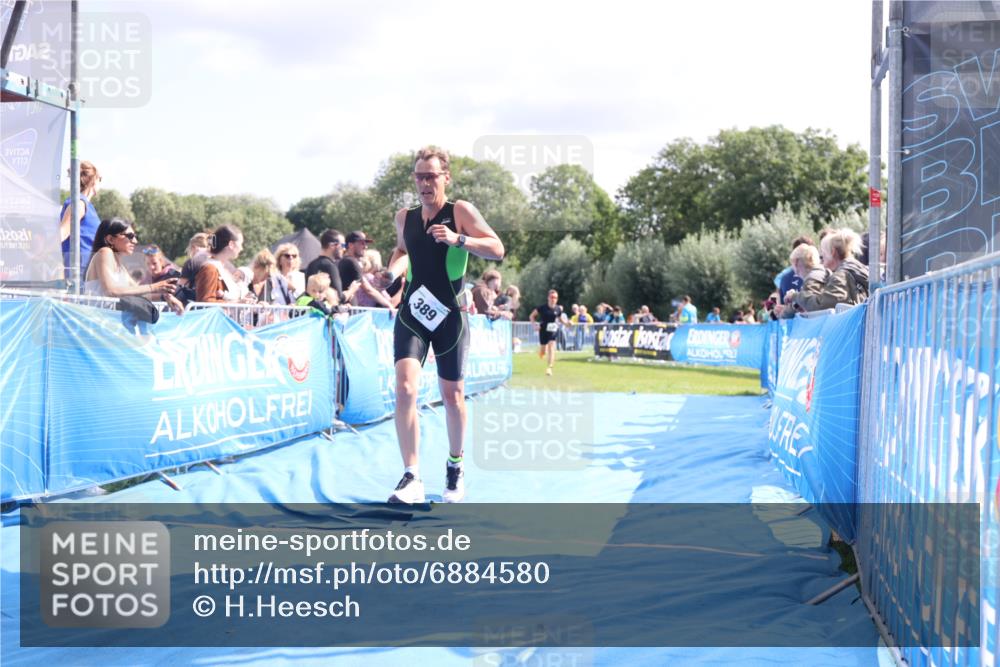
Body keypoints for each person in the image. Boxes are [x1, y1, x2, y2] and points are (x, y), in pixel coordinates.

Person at [382, 146, 504, 504]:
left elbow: (497, 248)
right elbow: (402, 251)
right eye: (419, 176)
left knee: (452, 396)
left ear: (445, 178)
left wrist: (458, 239)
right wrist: (391, 272)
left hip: (451, 315)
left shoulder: (460, 211)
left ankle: (455, 464)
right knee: (405, 389)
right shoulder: (404, 216)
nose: (424, 182)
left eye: (431, 176)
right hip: (413, 313)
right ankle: (412, 476)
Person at [83, 217, 183, 314]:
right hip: (97, 322)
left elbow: (138, 292)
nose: (135, 241)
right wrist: (155, 287)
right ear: (110, 239)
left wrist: (164, 296)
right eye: (130, 236)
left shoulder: (119, 264)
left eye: (135, 236)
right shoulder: (105, 252)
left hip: (107, 322)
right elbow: (111, 291)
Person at [786, 228, 869, 312]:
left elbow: (821, 305)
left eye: (823, 253)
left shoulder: (841, 276)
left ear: (832, 252)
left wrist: (795, 296)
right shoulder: (858, 269)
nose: (821, 258)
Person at [59, 160, 102, 280]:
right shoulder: (79, 203)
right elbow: (63, 232)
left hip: (89, 269)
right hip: (80, 272)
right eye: (101, 179)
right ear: (94, 180)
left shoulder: (85, 204)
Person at [305, 229, 361, 305]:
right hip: (326, 313)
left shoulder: (311, 264)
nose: (344, 249)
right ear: (332, 245)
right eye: (343, 245)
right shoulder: (330, 266)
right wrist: (351, 290)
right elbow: (338, 298)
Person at [776, 244, 829, 318]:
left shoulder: (811, 279)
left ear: (796, 262)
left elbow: (811, 307)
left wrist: (793, 297)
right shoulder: (826, 272)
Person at [194, 224, 245, 303]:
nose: (242, 248)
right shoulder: (210, 269)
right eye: (241, 244)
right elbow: (206, 302)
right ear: (231, 244)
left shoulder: (223, 268)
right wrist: (236, 303)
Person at [529, 289, 569, 377]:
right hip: (543, 330)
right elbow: (531, 316)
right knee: (543, 350)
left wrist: (566, 323)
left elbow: (560, 318)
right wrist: (534, 325)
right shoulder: (542, 308)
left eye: (555, 297)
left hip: (553, 330)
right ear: (548, 298)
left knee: (551, 346)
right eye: (552, 297)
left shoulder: (558, 309)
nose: (553, 299)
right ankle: (541, 352)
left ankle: (549, 368)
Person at [338, 230, 371, 305]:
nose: (365, 246)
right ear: (350, 245)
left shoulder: (343, 260)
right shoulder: (351, 262)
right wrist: (388, 304)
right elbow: (368, 289)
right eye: (362, 243)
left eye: (365, 243)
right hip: (346, 309)